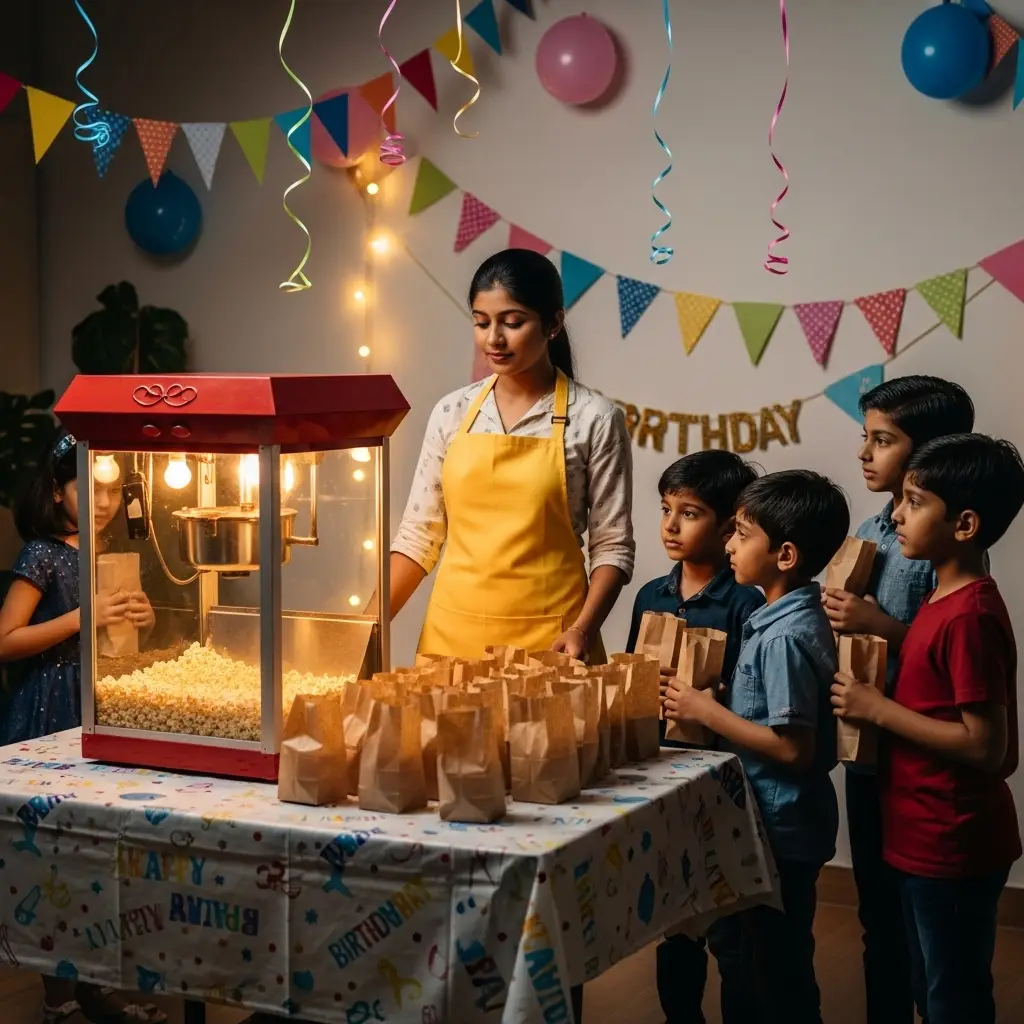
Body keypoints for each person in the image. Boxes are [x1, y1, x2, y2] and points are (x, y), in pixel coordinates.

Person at [832, 434, 1023, 1024]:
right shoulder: (940, 600)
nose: (896, 513)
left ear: (964, 524)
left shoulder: (968, 615)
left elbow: (990, 748)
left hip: (954, 842)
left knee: (952, 996)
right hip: (918, 833)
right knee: (928, 981)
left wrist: (876, 708)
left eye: (914, 501)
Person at [665, 470, 848, 1024]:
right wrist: (728, 700)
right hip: (771, 825)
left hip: (780, 828)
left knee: (775, 976)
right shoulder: (781, 619)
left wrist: (708, 712)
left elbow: (793, 748)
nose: (728, 544)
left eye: (742, 534)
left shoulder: (785, 637)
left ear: (785, 554)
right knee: (756, 963)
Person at [389, 248, 635, 661]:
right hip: (452, 640)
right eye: (481, 323)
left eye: (513, 323)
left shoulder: (594, 418)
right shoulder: (453, 413)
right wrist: (363, 629)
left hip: (554, 645)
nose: (493, 340)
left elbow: (612, 546)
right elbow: (419, 536)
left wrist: (582, 630)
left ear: (554, 323)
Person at [822, 374, 975, 1024]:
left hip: (915, 754)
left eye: (882, 440)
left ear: (929, 455)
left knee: (924, 923)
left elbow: (946, 654)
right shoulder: (868, 527)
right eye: (866, 437)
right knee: (876, 912)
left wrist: (877, 624)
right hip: (865, 753)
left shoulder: (948, 547)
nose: (865, 453)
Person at [0, 432, 161, 1024]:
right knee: (52, 854)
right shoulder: (43, 554)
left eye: (113, 489)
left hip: (99, 699)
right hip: (49, 707)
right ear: (57, 491)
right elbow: (5, 639)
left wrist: (138, 617)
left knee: (98, 851)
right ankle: (56, 996)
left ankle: (97, 985)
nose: (103, 501)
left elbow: (114, 641)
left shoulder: (107, 554)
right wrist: (80, 617)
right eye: (87, 487)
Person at [625, 450, 765, 1024]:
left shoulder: (745, 602)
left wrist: (711, 696)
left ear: (732, 525)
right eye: (665, 510)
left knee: (730, 928)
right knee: (674, 923)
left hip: (724, 779)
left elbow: (752, 698)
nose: (670, 525)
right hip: (660, 774)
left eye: (690, 513)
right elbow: (633, 676)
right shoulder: (650, 595)